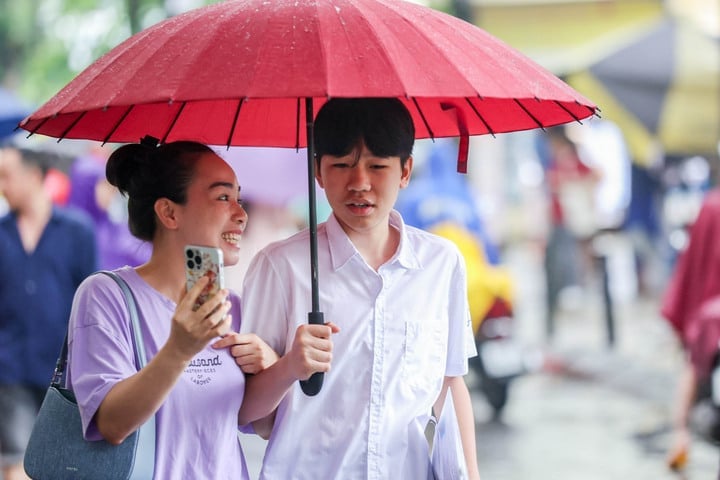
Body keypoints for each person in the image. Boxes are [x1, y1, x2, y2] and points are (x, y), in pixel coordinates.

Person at [220, 98, 481, 479]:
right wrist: (290, 366)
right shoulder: (280, 267)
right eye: (341, 165)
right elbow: (251, 418)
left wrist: (471, 473)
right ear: (318, 172)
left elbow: (450, 381)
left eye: (377, 166)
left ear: (405, 170)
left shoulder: (441, 263)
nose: (360, 183)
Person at [65, 139, 326, 479]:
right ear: (169, 212)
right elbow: (112, 424)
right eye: (222, 197)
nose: (241, 214)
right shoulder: (105, 296)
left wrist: (286, 366)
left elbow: (243, 416)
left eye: (239, 198)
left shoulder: (228, 304)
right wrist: (178, 350)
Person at [0, 138, 97, 480]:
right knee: (15, 461)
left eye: (7, 176)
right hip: (9, 368)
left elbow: (90, 301)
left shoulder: (77, 231)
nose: (2, 186)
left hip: (63, 371)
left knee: (59, 464)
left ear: (34, 175)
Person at [661, 187, 720, 471]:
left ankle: (680, 435)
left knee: (692, 363)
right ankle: (680, 435)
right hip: (711, 320)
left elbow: (694, 267)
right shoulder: (712, 205)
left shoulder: (711, 205)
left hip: (709, 318)